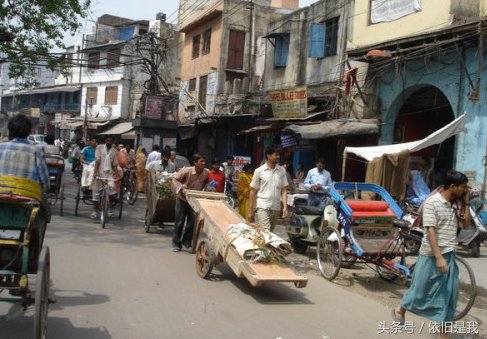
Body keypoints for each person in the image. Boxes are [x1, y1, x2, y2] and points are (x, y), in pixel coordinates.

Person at [392, 170, 471, 339]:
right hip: (431, 255)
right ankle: (400, 309)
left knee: (449, 295)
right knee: (420, 292)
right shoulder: (432, 203)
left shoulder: (457, 205)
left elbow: (466, 225)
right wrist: (439, 257)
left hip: (449, 253)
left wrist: (467, 202)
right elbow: (430, 231)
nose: (466, 190)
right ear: (453, 186)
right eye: (464, 187)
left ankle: (443, 334)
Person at [0, 115, 50, 261]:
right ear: (29, 132)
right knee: (46, 214)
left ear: (10, 130)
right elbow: (45, 184)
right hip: (26, 211)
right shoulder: (35, 151)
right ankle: (33, 255)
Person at [171, 154, 210, 253]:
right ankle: (176, 243)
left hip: (194, 200)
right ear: (195, 163)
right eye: (201, 161)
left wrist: (207, 189)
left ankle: (186, 242)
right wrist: (181, 186)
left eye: (204, 161)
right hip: (183, 199)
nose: (204, 163)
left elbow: (206, 183)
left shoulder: (206, 173)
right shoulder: (187, 171)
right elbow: (174, 179)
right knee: (179, 222)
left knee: (192, 223)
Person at [248, 145, 289, 232]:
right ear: (268, 155)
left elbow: (284, 190)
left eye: (279, 155)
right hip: (263, 206)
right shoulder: (259, 171)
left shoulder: (282, 171)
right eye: (276, 155)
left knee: (270, 233)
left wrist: (285, 207)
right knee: (266, 232)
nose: (278, 157)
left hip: (276, 207)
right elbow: (253, 191)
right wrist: (250, 210)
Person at [90, 136, 119, 219]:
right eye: (107, 140)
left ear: (113, 142)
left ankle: (110, 210)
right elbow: (97, 161)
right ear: (105, 141)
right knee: (96, 192)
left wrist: (116, 174)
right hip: (99, 172)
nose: (109, 142)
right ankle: (95, 211)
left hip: (109, 173)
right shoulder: (99, 148)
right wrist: (95, 173)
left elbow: (115, 165)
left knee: (112, 191)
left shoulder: (114, 151)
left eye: (110, 141)